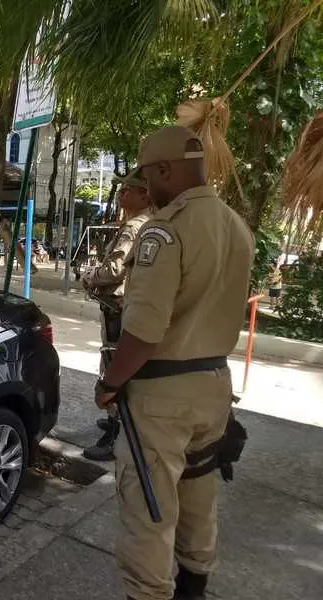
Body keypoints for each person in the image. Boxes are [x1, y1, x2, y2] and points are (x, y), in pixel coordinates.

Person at [94, 126, 254, 600]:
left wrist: (110, 382)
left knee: (150, 511)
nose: (147, 188)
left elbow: (144, 331)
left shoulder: (164, 232)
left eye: (148, 175)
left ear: (165, 169)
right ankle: (195, 586)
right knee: (200, 496)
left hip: (163, 397)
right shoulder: (235, 225)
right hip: (214, 387)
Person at [80, 172, 153, 462]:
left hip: (117, 305)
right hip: (126, 304)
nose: (122, 196)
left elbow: (114, 270)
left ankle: (116, 430)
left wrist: (89, 276)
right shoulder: (148, 223)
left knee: (112, 365)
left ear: (144, 196)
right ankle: (117, 421)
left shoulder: (135, 226)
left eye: (128, 191)